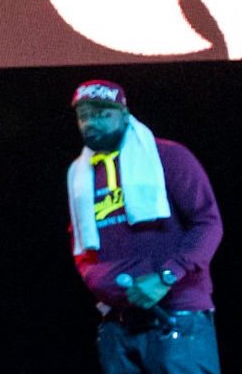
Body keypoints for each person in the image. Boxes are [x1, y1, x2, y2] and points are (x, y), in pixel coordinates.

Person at [68, 79, 222, 373]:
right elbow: (81, 246)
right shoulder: (80, 176)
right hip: (118, 324)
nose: (91, 123)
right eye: (84, 115)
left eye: (102, 114)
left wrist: (166, 276)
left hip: (177, 316)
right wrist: (97, 280)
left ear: (124, 115)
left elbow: (208, 224)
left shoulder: (167, 157)